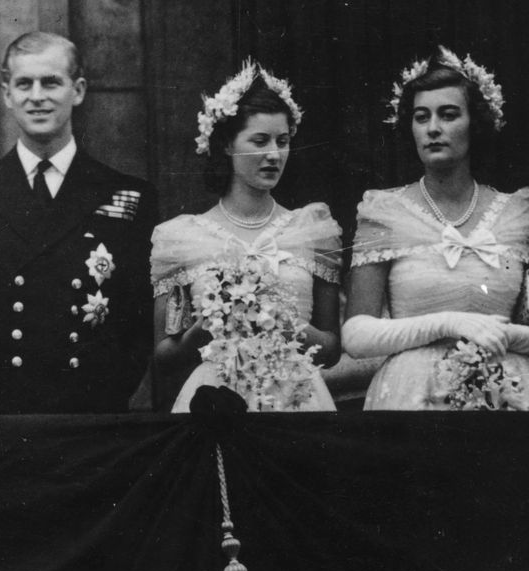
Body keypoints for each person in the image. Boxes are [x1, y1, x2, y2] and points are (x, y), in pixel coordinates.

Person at [0, 31, 157, 414]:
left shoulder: (127, 196)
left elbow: (140, 319)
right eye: (23, 84)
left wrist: (111, 389)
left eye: (51, 82)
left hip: (91, 415)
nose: (36, 96)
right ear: (6, 94)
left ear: (77, 90)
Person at [341, 48, 529, 410]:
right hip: (412, 396)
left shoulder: (517, 213)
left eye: (448, 115)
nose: (433, 129)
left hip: (508, 396)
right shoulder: (385, 211)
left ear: (476, 122)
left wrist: (500, 334)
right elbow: (356, 335)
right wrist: (447, 322)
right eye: (421, 117)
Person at [150, 63, 340, 411]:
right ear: (226, 144)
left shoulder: (312, 228)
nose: (273, 154)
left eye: (282, 142)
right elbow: (164, 357)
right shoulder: (181, 237)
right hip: (215, 399)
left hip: (298, 400)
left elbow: (330, 350)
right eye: (259, 140)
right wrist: (206, 327)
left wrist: (281, 320)